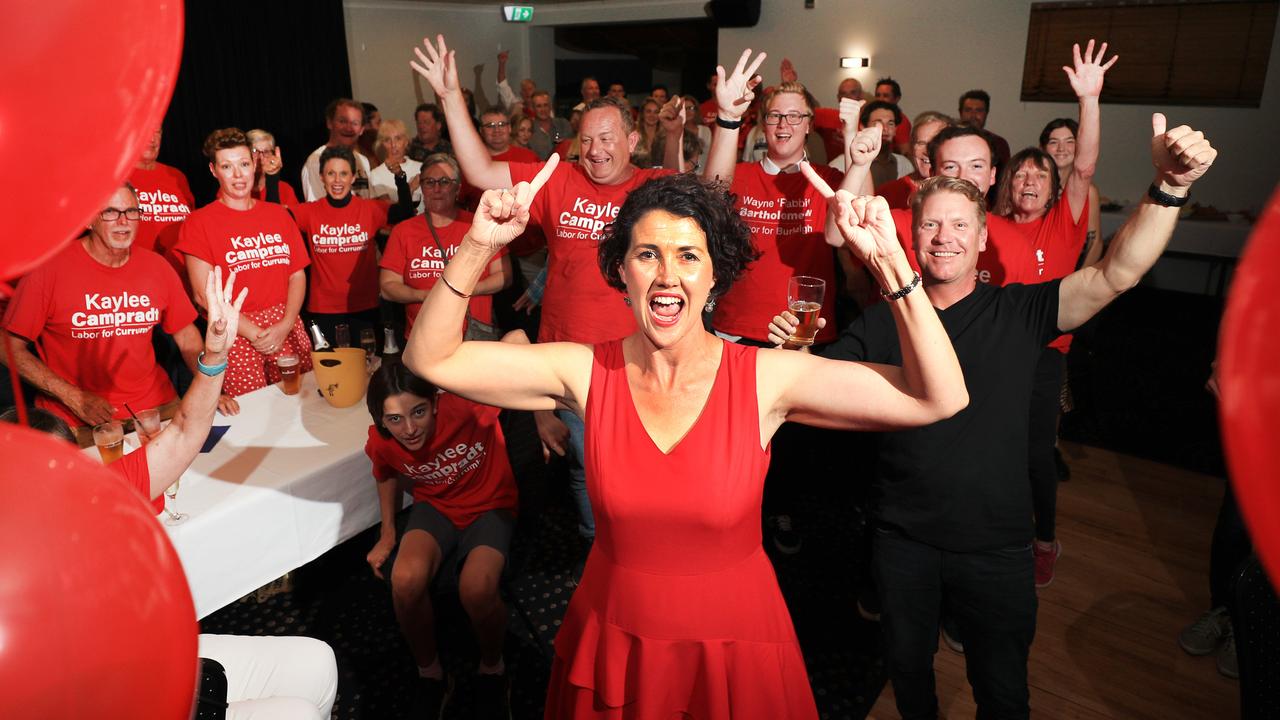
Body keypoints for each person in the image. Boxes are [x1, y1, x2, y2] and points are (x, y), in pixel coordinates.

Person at [403, 153, 967, 716]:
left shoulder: (764, 376)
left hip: (733, 643)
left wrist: (892, 263)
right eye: (647, 254)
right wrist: (478, 245)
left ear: (716, 273)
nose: (668, 274)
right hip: (616, 635)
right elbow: (430, 358)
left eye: (688, 256)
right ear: (621, 271)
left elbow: (938, 397)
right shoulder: (585, 371)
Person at [769, 117, 1217, 719]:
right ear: (911, 237)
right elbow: (814, 391)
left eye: (960, 226)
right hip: (903, 539)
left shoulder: (1021, 310)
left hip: (997, 547)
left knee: (1002, 692)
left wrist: (1168, 187)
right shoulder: (881, 322)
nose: (944, 238)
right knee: (908, 675)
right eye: (930, 225)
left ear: (983, 238)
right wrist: (791, 354)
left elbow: (1118, 273)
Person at [4, 267, 339, 719]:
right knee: (294, 714)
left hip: (145, 653)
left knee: (315, 662)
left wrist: (215, 353)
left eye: (61, 470)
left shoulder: (99, 494)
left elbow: (184, 432)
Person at [409, 33, 686, 550]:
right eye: (587, 138)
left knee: (644, 469)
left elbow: (707, 197)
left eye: (607, 138)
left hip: (639, 359)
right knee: (586, 468)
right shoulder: (556, 179)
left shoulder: (652, 187)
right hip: (569, 359)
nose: (596, 149)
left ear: (631, 140)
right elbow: (480, 171)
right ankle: (595, 550)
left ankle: (645, 552)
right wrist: (450, 97)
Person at [703, 50, 869, 554]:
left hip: (803, 331)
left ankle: (785, 517)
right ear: (764, 122)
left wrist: (856, 165)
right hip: (738, 326)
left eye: (795, 115)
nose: (783, 123)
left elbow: (840, 236)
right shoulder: (745, 174)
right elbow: (711, 196)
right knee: (738, 437)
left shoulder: (828, 178)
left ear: (808, 125)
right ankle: (737, 518)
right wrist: (728, 119)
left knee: (796, 444)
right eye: (775, 114)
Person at [990, 40, 1115, 588]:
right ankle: (993, 530)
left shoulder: (1063, 224)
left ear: (1054, 187)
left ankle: (1044, 541)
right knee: (990, 450)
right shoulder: (988, 227)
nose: (1030, 181)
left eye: (1040, 175)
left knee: (1037, 454)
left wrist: (1089, 99)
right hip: (992, 353)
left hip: (1043, 357)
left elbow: (1084, 164)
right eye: (1021, 175)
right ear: (1007, 184)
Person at [1, 184, 237, 429]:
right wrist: (73, 397)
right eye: (110, 212)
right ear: (89, 219)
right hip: (79, 417)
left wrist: (207, 386)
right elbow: (7, 347)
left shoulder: (156, 267)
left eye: (131, 212)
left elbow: (187, 337)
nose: (123, 221)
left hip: (158, 408)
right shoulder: (48, 271)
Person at [364, 360, 519, 717]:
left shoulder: (469, 404)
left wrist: (543, 417)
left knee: (476, 588)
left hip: (490, 504)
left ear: (435, 401)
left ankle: (493, 670)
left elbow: (515, 344)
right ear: (381, 421)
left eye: (418, 411)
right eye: (395, 419)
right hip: (437, 507)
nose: (410, 428)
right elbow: (384, 473)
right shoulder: (383, 440)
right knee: (403, 580)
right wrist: (388, 533)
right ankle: (431, 674)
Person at [177, 128, 312, 397]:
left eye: (244, 164)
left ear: (254, 164)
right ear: (214, 171)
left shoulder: (279, 215)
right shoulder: (199, 222)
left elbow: (297, 274)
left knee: (303, 404)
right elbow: (204, 295)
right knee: (252, 415)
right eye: (227, 166)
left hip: (285, 326)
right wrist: (256, 334)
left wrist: (285, 324)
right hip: (235, 332)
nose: (238, 175)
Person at [380, 154, 512, 339]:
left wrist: (465, 291)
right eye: (429, 182)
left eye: (444, 182)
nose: (437, 189)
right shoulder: (403, 231)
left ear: (457, 188)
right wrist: (425, 296)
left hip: (473, 338)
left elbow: (504, 276)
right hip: (423, 339)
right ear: (422, 187)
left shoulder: (479, 224)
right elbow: (387, 287)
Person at [293, 145, 398, 344]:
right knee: (331, 372)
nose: (337, 180)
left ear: (352, 177)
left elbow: (406, 214)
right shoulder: (309, 212)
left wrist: (400, 179)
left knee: (368, 369)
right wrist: (272, 178)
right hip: (323, 310)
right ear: (322, 177)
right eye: (331, 173)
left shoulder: (370, 209)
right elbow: (275, 218)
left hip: (365, 307)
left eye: (343, 173)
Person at [1040, 117, 1103, 269]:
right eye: (1053, 142)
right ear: (1043, 148)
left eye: (1069, 141)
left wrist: (1079, 281)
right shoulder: (1033, 186)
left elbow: (1094, 243)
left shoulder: (1088, 192)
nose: (1061, 148)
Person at [127, 127, 195, 253]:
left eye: (156, 132)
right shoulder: (116, 177)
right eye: (146, 131)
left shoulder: (176, 176)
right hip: (140, 268)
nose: (152, 139)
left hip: (181, 269)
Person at [301, 98, 373, 202]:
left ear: (362, 129)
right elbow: (318, 208)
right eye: (343, 121)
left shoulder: (362, 160)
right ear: (329, 123)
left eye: (355, 123)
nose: (349, 128)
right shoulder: (316, 161)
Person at [876, 111, 951, 210]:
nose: (927, 151)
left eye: (936, 144)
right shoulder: (887, 193)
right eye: (921, 143)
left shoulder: (965, 191)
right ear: (911, 147)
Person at [846, 100, 912, 186]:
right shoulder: (844, 163)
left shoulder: (904, 164)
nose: (885, 128)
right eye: (878, 123)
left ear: (896, 129)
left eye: (890, 123)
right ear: (863, 127)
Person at [368, 118, 422, 209]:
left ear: (406, 141)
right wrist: (410, 189)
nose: (393, 145)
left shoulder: (422, 167)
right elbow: (391, 211)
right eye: (387, 140)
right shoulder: (376, 174)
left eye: (398, 139)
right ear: (381, 144)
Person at [957, 89, 1011, 172]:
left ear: (986, 113)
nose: (973, 115)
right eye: (968, 110)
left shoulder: (999, 144)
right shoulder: (949, 141)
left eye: (979, 110)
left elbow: (1005, 178)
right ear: (960, 113)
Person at [247, 129, 301, 208]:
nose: (260, 157)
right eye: (254, 151)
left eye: (266, 152)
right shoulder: (239, 190)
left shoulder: (284, 189)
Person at [526, 90, 572, 161]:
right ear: (533, 108)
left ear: (550, 106)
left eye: (545, 105)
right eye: (539, 106)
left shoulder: (563, 124)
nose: (543, 109)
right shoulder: (528, 130)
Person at [874, 77, 912, 154]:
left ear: (896, 98)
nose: (881, 99)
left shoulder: (901, 121)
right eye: (878, 95)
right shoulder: (868, 116)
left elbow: (905, 151)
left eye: (886, 96)